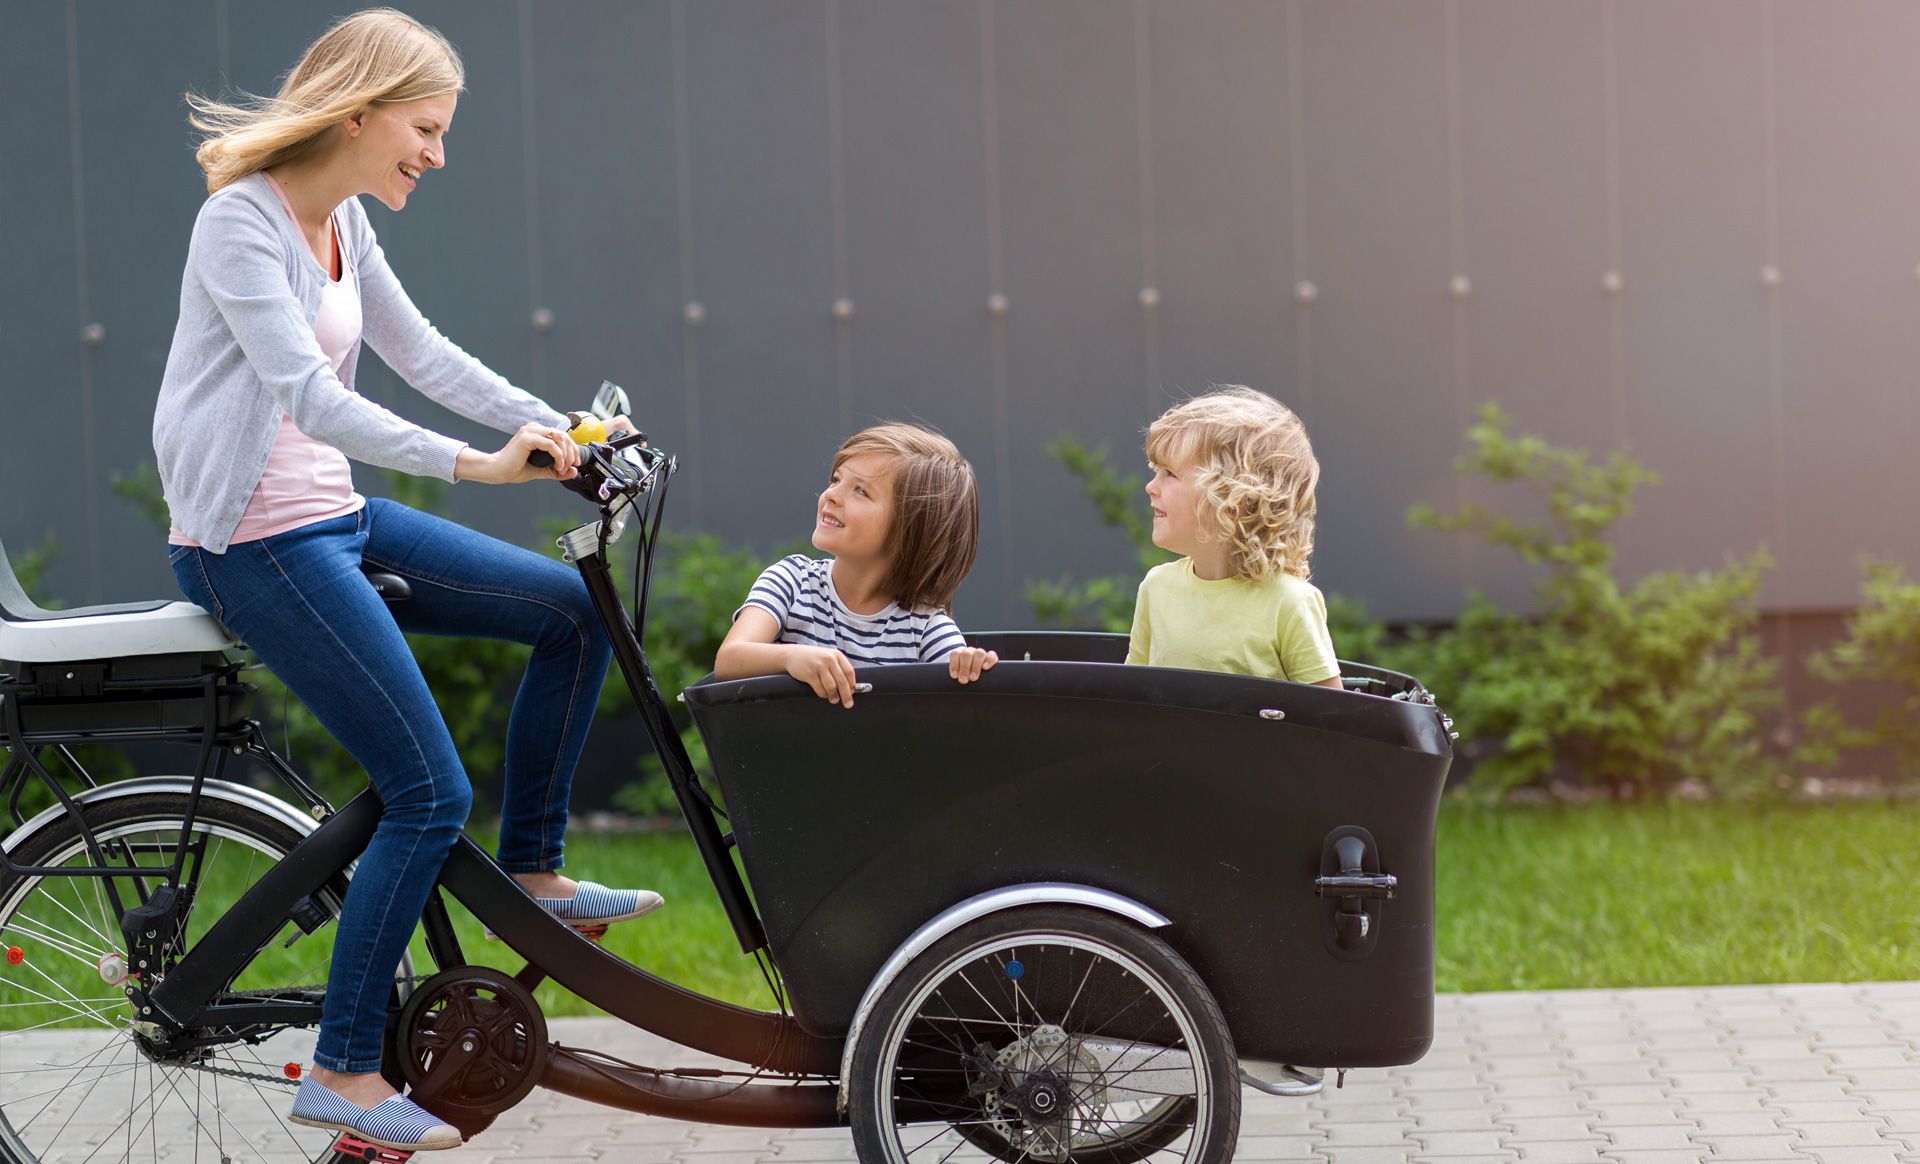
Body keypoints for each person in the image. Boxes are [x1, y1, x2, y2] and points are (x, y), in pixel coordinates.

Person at [153, 9, 656, 1151]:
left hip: (333, 516)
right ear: (361, 110)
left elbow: (422, 352)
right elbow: (308, 398)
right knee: (428, 791)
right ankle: (340, 1067)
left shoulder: (339, 224)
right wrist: (476, 466)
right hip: (252, 547)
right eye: (424, 129)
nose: (434, 153)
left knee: (572, 614)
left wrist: (558, 426)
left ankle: (534, 870)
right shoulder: (242, 224)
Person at [714, 423, 997, 705]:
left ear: (910, 530)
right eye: (836, 480)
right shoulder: (791, 580)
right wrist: (791, 657)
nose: (832, 495)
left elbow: (964, 705)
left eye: (861, 491)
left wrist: (969, 667)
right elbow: (729, 660)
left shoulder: (924, 626)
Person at [1126, 386, 1343, 687]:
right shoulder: (1157, 587)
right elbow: (1132, 696)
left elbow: (1331, 722)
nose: (1151, 486)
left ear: (1234, 500)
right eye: (1155, 470)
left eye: (1170, 474)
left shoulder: (1289, 603)